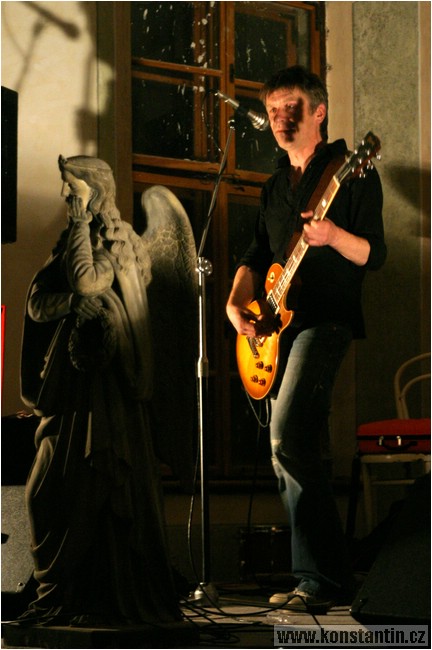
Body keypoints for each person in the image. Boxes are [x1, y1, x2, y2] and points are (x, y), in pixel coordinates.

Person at [226, 66, 386, 612]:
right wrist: (234, 303)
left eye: (290, 107)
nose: (278, 118)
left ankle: (317, 579)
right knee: (291, 450)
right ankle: (326, 575)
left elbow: (374, 254)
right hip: (277, 328)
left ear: (319, 111)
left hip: (326, 320)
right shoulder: (274, 187)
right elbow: (255, 256)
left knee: (287, 436)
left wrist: (333, 235)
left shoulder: (352, 171)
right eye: (272, 109)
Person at [20, 155, 181, 626]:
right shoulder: (71, 240)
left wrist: (78, 239)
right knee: (43, 493)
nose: (65, 196)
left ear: (95, 190)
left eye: (73, 188)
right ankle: (64, 593)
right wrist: (72, 303)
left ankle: (96, 597)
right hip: (70, 389)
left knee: (92, 489)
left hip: (107, 396)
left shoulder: (117, 241)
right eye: (65, 188)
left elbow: (89, 280)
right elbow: (37, 304)